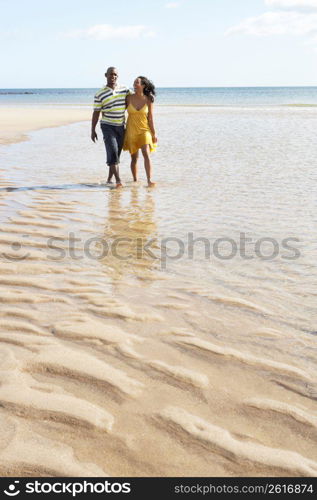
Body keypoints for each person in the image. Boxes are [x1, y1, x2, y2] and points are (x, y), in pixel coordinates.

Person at [91, 67, 130, 188]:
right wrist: (92, 129)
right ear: (105, 75)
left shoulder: (125, 90)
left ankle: (109, 179)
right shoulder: (99, 94)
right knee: (112, 152)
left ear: (117, 76)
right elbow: (96, 112)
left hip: (121, 126)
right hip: (107, 125)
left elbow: (136, 97)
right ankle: (118, 181)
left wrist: (149, 96)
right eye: (110, 74)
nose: (113, 77)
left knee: (116, 155)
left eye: (115, 75)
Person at [123, 76, 157, 187]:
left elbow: (151, 118)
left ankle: (149, 180)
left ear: (143, 85)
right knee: (134, 158)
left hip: (144, 129)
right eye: (134, 82)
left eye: (137, 82)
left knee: (146, 153)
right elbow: (119, 112)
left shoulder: (148, 99)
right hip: (131, 130)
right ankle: (135, 180)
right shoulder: (128, 98)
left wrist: (154, 133)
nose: (134, 84)